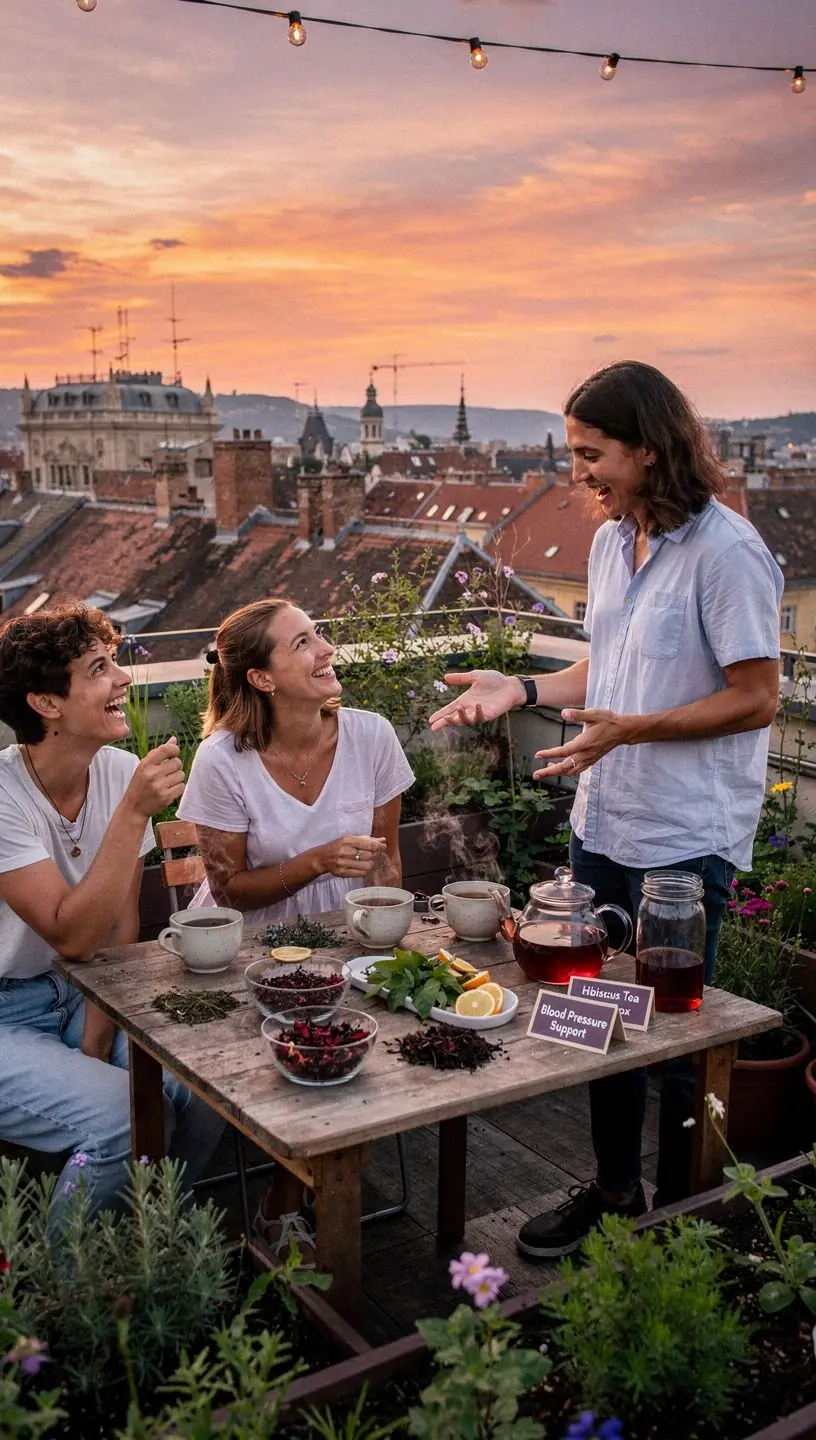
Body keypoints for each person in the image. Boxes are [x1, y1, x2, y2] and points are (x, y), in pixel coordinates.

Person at [429, 359, 783, 1258]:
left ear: (651, 448)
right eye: (572, 450)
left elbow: (757, 696)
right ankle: (617, 1195)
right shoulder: (608, 542)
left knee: (666, 1032)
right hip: (604, 821)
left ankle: (680, 1215)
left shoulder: (728, 551)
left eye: (592, 453)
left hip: (683, 838)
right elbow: (609, 668)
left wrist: (632, 732)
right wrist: (523, 685)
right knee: (589, 1017)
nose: (575, 470)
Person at [177, 597, 415, 1252]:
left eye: (321, 635)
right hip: (244, 950)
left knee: (380, 1028)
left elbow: (386, 858)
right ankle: (283, 1200)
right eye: (303, 643)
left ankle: (296, 1194)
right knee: (305, 1048)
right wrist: (315, 863)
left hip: (342, 940)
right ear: (261, 677)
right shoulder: (223, 759)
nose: (325, 650)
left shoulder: (371, 735)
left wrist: (385, 928)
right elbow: (229, 890)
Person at [0, 604, 224, 1216]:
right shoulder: (3, 798)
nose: (123, 678)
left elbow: (119, 934)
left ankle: (148, 1245)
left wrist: (97, 1041)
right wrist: (131, 814)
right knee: (122, 1118)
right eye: (100, 668)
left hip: (81, 991)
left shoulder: (119, 771)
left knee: (205, 1085)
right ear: (46, 703)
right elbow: (70, 934)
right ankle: (64, 1297)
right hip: (5, 1014)